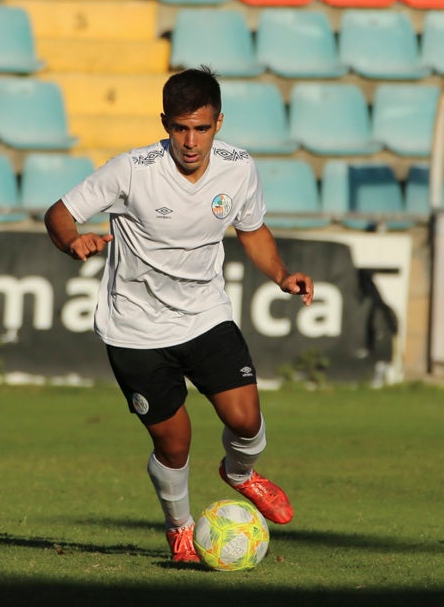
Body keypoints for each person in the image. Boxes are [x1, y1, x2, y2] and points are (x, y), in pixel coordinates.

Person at [43, 67, 315, 563]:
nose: (191, 141)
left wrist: (282, 274)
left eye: (202, 128)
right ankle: (180, 528)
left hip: (204, 315)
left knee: (246, 421)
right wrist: (72, 241)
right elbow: (58, 213)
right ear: (165, 123)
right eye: (180, 128)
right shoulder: (131, 169)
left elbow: (252, 230)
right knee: (175, 444)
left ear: (218, 123)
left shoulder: (239, 168)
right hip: (136, 328)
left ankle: (239, 473)